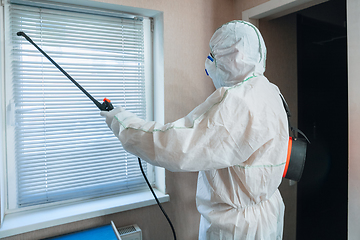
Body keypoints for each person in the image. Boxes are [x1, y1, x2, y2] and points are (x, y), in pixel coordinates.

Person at [101, 20, 288, 240]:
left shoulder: (237, 102)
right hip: (268, 212)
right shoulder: (269, 90)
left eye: (214, 57)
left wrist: (121, 122)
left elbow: (178, 145)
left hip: (237, 227)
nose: (209, 64)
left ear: (233, 57)